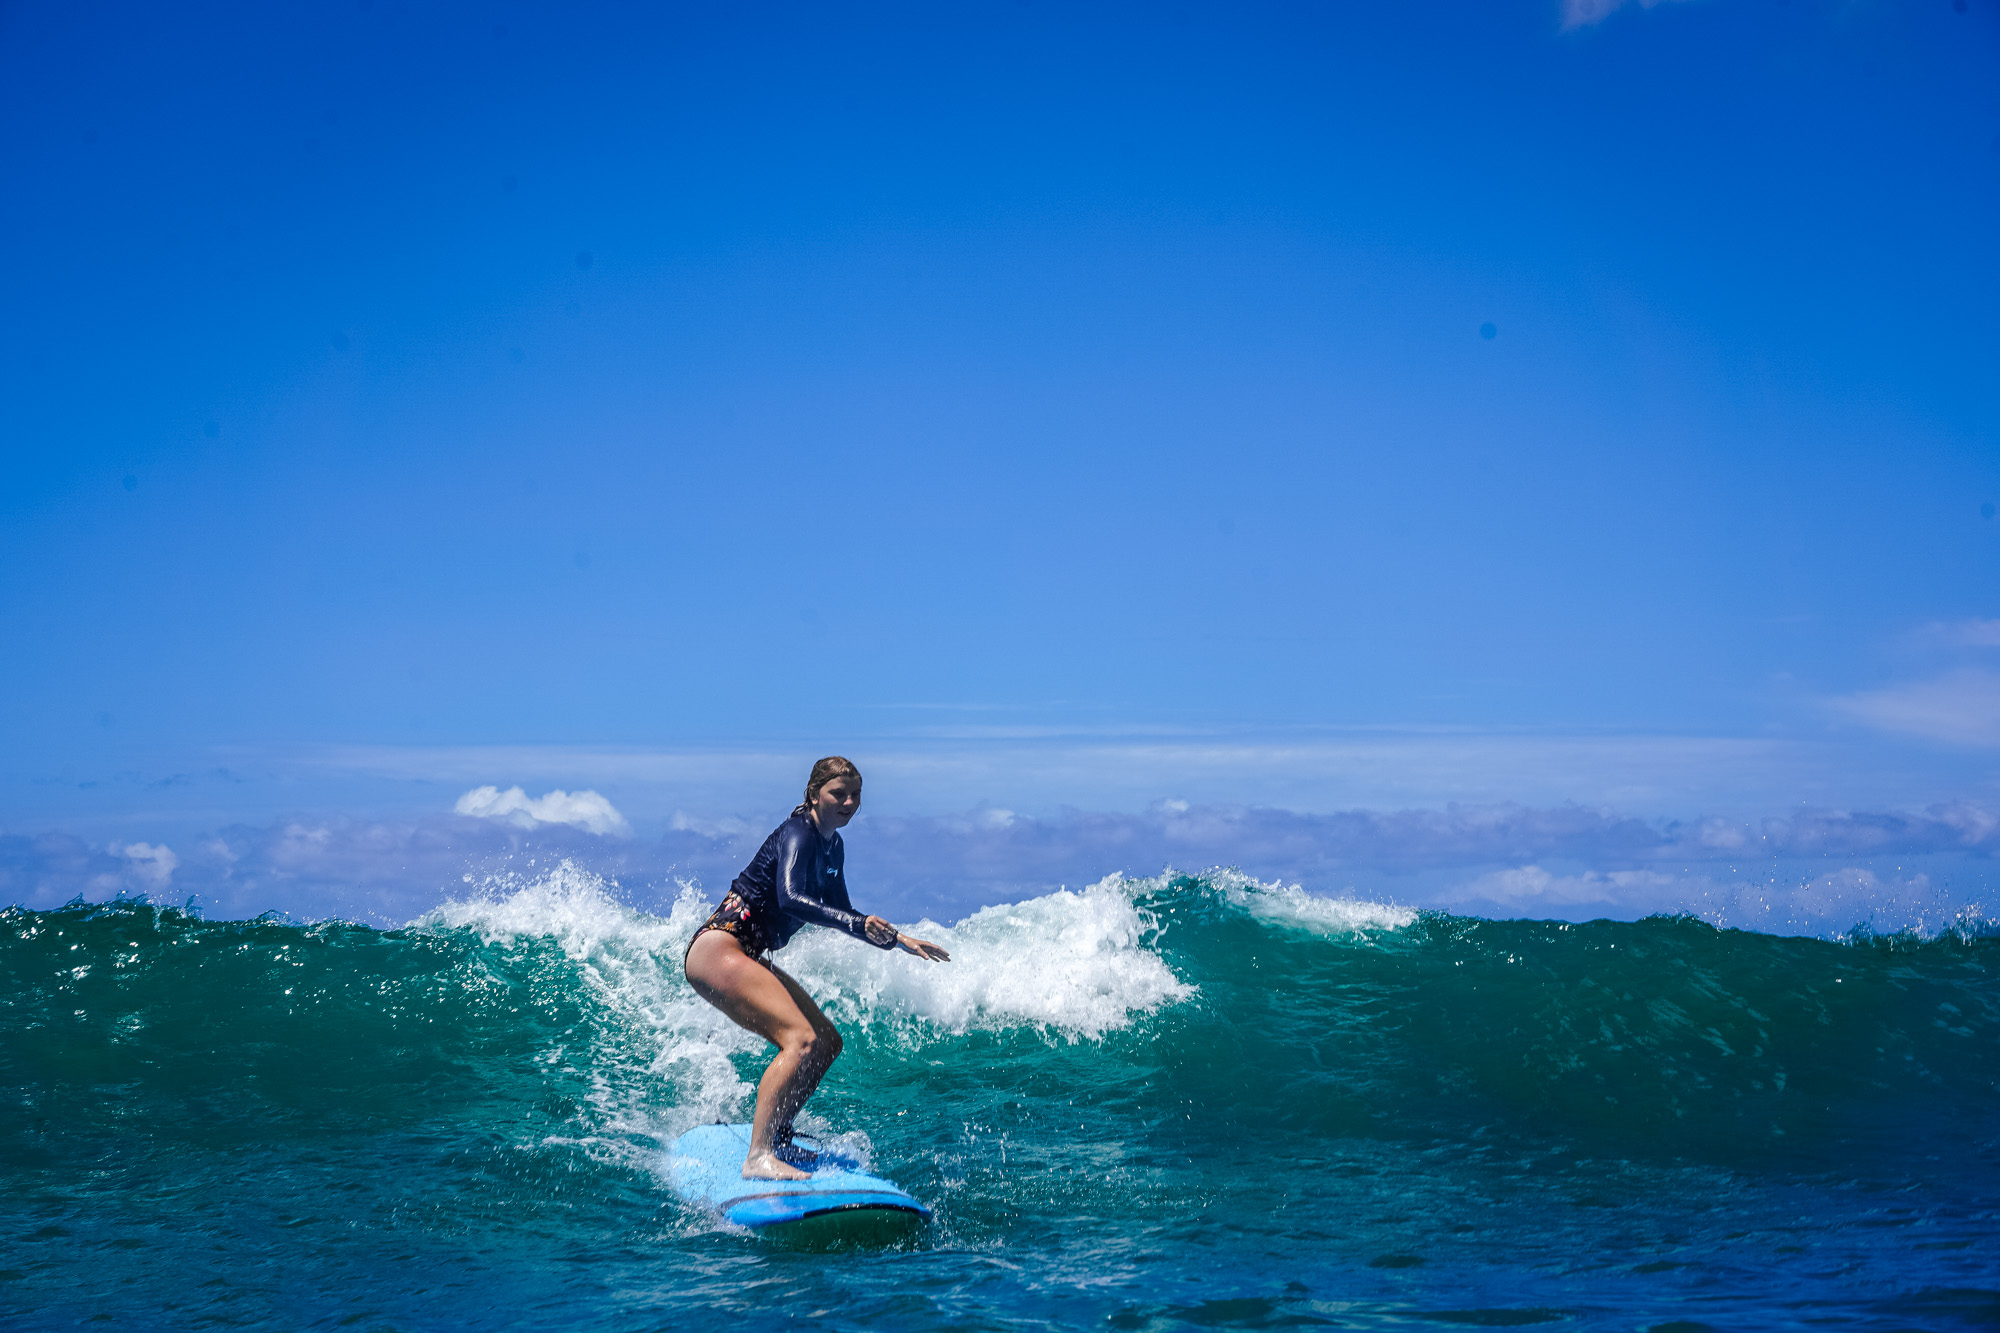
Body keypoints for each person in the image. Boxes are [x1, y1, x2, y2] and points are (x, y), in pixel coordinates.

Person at [683, 756, 950, 1180]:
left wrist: (898, 939)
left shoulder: (833, 847)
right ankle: (758, 1156)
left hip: (746, 954)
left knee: (826, 1042)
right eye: (838, 794)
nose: (849, 803)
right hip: (720, 947)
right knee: (801, 1039)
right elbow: (789, 897)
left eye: (855, 795)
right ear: (813, 794)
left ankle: (778, 1136)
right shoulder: (799, 832)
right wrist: (857, 923)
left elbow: (843, 912)